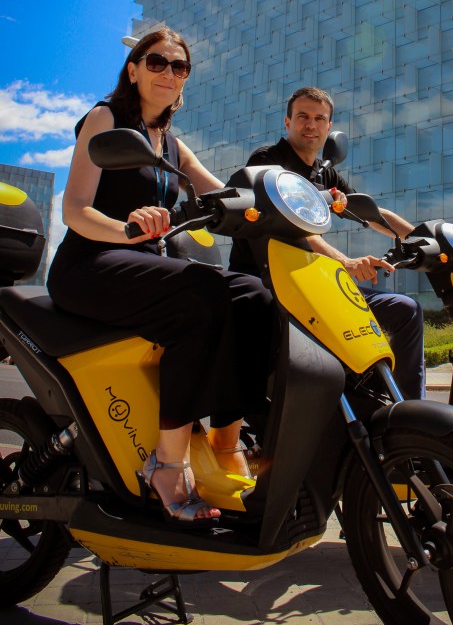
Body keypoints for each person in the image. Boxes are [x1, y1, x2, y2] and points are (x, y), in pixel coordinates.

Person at [48, 28, 272, 528]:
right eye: (157, 62)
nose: (169, 73)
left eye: (179, 66)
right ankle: (166, 465)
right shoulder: (107, 119)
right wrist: (127, 229)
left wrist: (278, 204)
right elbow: (75, 209)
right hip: (91, 264)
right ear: (133, 70)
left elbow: (222, 191)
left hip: (148, 267)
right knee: (203, 294)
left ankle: (226, 440)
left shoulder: (172, 143)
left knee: (254, 297)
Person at [229, 87, 426, 400]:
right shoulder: (269, 161)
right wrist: (346, 262)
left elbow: (372, 212)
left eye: (320, 118)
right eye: (303, 117)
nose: (311, 124)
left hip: (315, 285)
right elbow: (290, 223)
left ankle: (410, 415)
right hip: (271, 283)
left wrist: (425, 238)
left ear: (329, 127)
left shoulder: (325, 173)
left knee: (405, 309)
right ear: (287, 122)